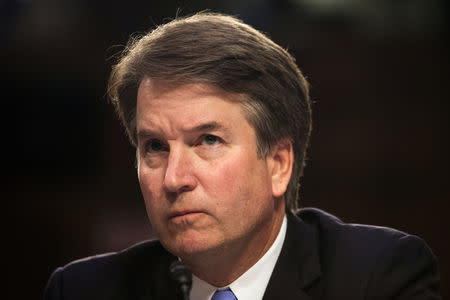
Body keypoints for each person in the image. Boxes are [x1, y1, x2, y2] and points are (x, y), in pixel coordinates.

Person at [44, 12, 440, 300]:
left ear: (279, 165)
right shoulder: (84, 290)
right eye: (156, 147)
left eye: (208, 140)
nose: (173, 178)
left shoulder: (377, 278)